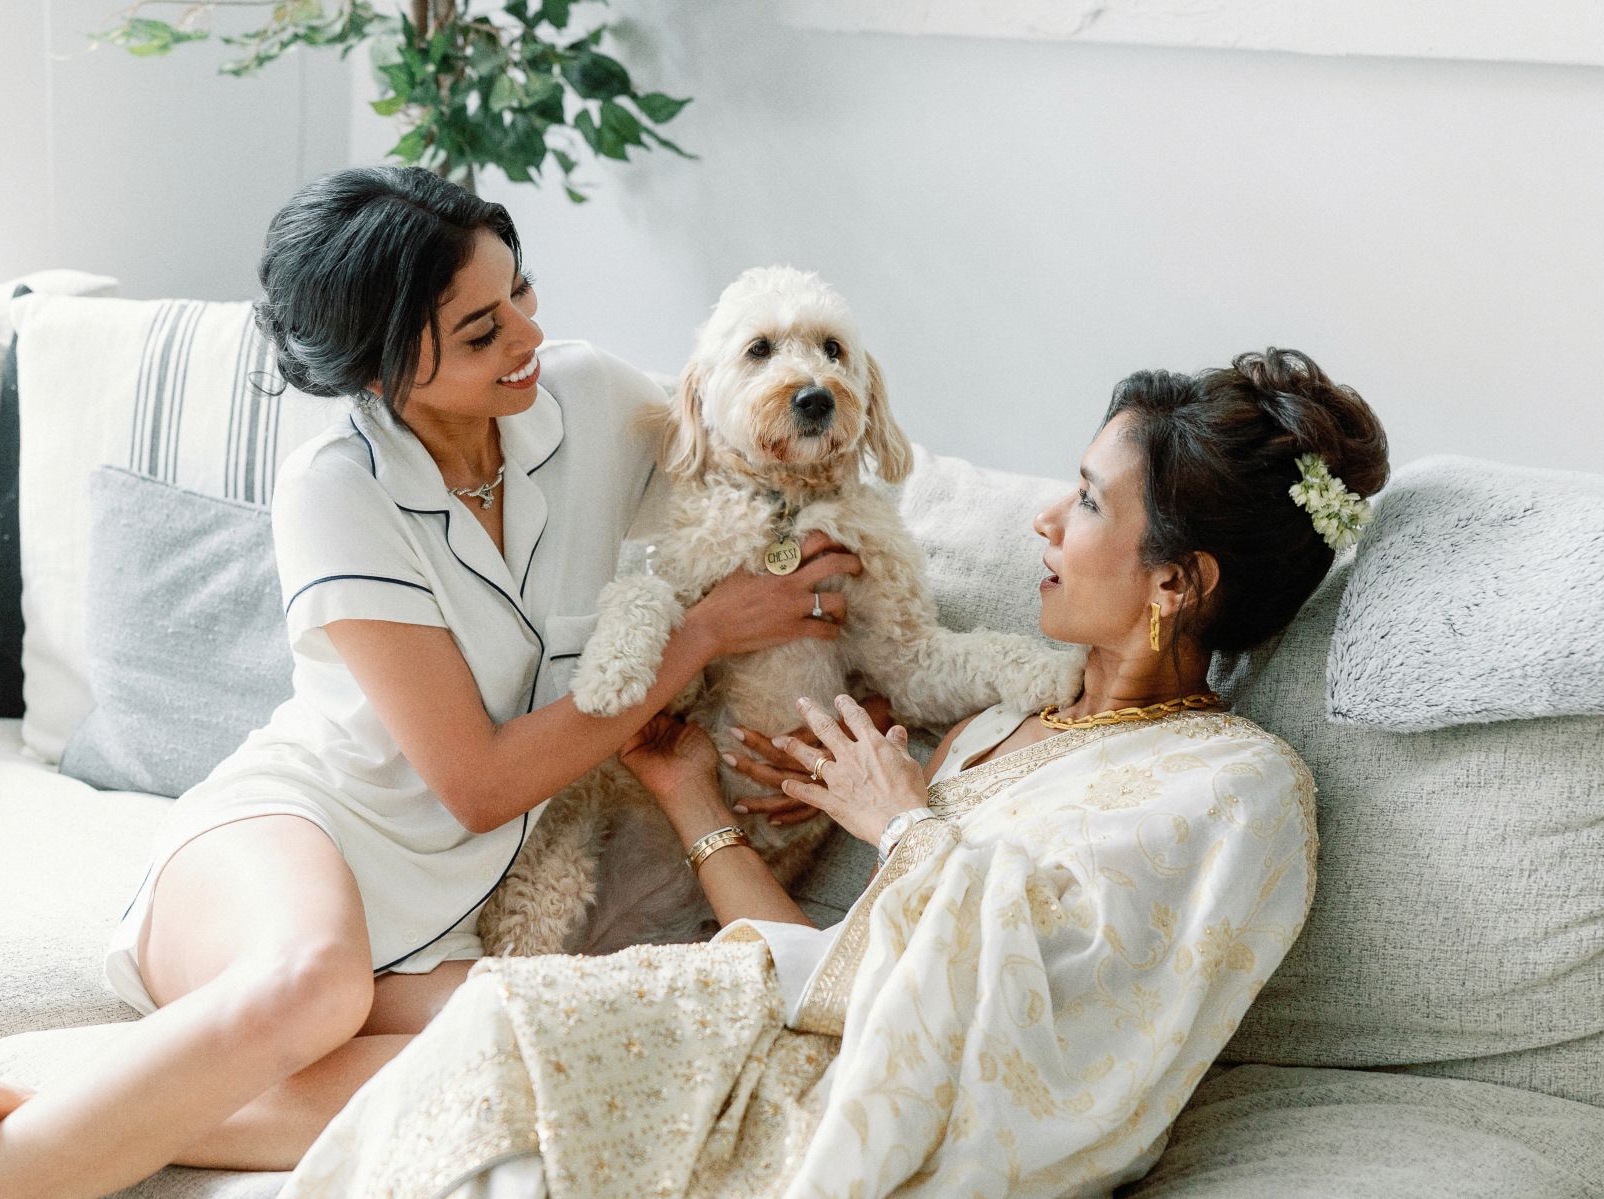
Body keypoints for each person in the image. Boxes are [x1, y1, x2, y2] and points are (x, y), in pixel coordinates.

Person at [0, 165, 862, 1198]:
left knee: (540, 1049)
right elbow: (476, 781)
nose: (525, 338)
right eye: (479, 331)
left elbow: (747, 447)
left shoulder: (591, 396)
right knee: (314, 985)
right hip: (287, 842)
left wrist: (818, 641)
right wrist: (694, 642)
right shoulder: (335, 490)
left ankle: (18, 1118)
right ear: (379, 372)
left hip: (448, 919)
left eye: (522, 293)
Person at [276, 347, 1389, 1198]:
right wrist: (691, 793)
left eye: (1091, 501)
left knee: (490, 1046)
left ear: (1178, 581)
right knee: (473, 1017)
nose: (1046, 518)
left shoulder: (1235, 789)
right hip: (778, 1041)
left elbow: (1057, 1050)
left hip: (867, 1125)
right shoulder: (996, 727)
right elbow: (828, 974)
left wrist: (904, 822)